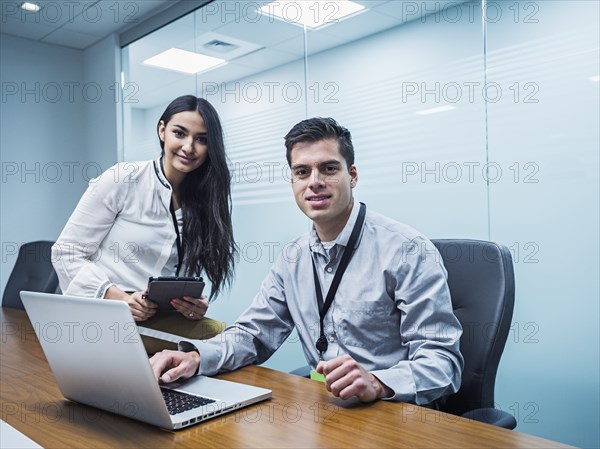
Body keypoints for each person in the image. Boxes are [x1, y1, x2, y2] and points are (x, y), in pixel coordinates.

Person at [149, 117, 463, 405]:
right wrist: (196, 357)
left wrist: (379, 382)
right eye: (302, 172)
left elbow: (442, 362)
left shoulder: (408, 250)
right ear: (293, 182)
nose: (314, 181)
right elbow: (252, 334)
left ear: (351, 176)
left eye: (329, 169)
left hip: (396, 413)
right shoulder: (293, 258)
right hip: (329, 413)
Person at [52, 95, 236, 348]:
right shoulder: (123, 178)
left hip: (156, 315)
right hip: (105, 312)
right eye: (179, 133)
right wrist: (116, 296)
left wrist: (193, 305)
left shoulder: (203, 201)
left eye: (202, 139)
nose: (189, 147)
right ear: (162, 131)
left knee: (231, 341)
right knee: (219, 339)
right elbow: (66, 253)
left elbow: (179, 274)